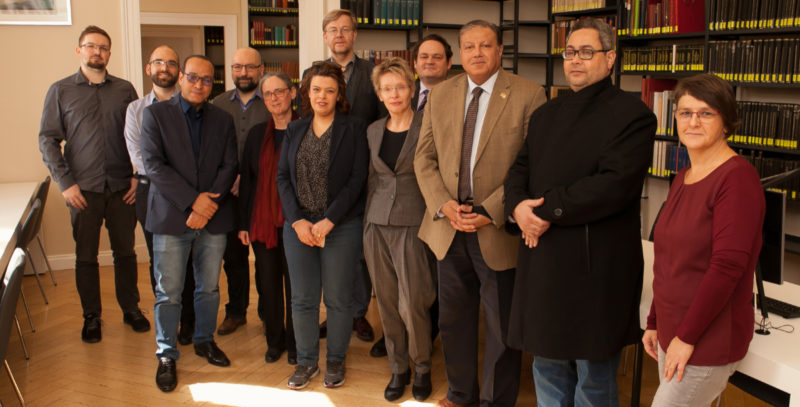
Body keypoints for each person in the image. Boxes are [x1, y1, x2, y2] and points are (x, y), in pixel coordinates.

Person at [503, 18, 656, 406]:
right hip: (544, 258)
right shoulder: (546, 113)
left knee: (593, 372)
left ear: (610, 59)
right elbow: (519, 169)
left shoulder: (633, 115)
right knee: (547, 363)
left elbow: (612, 185)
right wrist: (517, 207)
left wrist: (547, 210)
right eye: (570, 52)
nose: (575, 61)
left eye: (586, 53)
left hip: (596, 263)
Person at [414, 20, 546, 407]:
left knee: (502, 325)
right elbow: (424, 158)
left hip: (496, 229)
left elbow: (533, 165)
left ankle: (494, 401)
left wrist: (490, 210)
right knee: (453, 320)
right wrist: (442, 203)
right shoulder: (440, 94)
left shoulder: (528, 94)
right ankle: (459, 394)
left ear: (500, 50)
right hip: (448, 227)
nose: (476, 53)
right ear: (460, 52)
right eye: (468, 46)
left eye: (485, 46)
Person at [642, 74, 765, 406]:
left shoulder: (736, 179)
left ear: (726, 121)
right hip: (674, 329)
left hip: (705, 339)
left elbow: (727, 268)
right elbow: (669, 259)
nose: (693, 121)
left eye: (706, 113)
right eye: (685, 112)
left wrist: (686, 337)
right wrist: (654, 321)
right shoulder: (683, 176)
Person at [38, 25, 149, 343]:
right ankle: (92, 317)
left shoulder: (125, 89)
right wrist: (65, 183)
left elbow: (139, 137)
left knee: (126, 253)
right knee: (85, 256)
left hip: (121, 189)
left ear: (109, 53)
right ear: (79, 51)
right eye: (90, 46)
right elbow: (48, 139)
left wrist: (136, 176)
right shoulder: (60, 91)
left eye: (103, 47)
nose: (96, 52)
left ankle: (131, 309)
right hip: (81, 191)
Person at [141, 55, 238, 392]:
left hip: (212, 218)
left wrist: (207, 205)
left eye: (207, 80)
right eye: (194, 77)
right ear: (181, 77)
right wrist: (192, 201)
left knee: (209, 287)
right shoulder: (154, 115)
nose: (200, 85)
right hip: (171, 217)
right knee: (168, 292)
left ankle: (203, 339)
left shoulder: (223, 120)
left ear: (214, 85)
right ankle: (167, 354)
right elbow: (153, 166)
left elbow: (230, 166)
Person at [277, 61, 368, 390]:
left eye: (330, 90)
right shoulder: (295, 129)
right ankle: (305, 362)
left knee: (339, 299)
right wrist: (297, 221)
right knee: (302, 299)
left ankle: (335, 359)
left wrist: (329, 220)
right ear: (306, 92)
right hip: (298, 227)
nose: (322, 96)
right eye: (316, 89)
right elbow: (283, 178)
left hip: (340, 226)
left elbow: (357, 180)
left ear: (339, 93)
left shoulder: (354, 128)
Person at [303, 9, 385, 343]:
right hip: (322, 178)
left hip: (364, 174)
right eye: (333, 30)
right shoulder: (313, 74)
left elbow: (383, 120)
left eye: (346, 29)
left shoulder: (372, 73)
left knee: (359, 253)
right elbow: (305, 119)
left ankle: (358, 313)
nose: (339, 35)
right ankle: (335, 311)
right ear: (325, 36)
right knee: (330, 251)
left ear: (354, 36)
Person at [364, 57, 436, 402]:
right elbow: (371, 178)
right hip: (376, 224)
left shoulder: (428, 126)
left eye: (400, 87)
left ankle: (422, 366)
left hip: (413, 223)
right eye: (387, 88)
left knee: (414, 303)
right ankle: (398, 367)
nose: (394, 93)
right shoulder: (373, 130)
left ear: (412, 89)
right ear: (379, 94)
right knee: (388, 303)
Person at [124, 45, 197, 346]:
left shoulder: (192, 108)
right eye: (158, 62)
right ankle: (168, 322)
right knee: (161, 262)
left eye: (171, 62)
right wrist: (176, 181)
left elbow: (197, 156)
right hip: (150, 193)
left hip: (192, 195)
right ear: (148, 68)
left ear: (179, 73)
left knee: (191, 260)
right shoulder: (135, 110)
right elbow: (139, 156)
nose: (164, 67)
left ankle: (190, 323)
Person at [238, 71, 299, 366]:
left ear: (293, 93)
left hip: (297, 223)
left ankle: (297, 343)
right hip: (263, 223)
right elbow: (249, 182)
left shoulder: (306, 129)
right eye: (269, 94)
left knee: (298, 287)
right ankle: (274, 341)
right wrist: (243, 223)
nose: (275, 98)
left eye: (280, 91)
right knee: (269, 284)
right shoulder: (256, 136)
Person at [212, 47, 269, 336]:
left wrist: (250, 179)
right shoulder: (217, 104)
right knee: (233, 257)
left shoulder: (272, 101)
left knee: (265, 257)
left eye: (249, 67)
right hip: (229, 194)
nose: (243, 73)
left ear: (261, 69)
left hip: (264, 194)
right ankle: (236, 311)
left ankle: (267, 313)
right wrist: (232, 177)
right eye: (237, 67)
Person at [412, 33, 453, 112]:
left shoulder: (460, 96)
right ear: (415, 63)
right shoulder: (401, 94)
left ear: (449, 63)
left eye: (437, 57)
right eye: (424, 57)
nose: (430, 62)